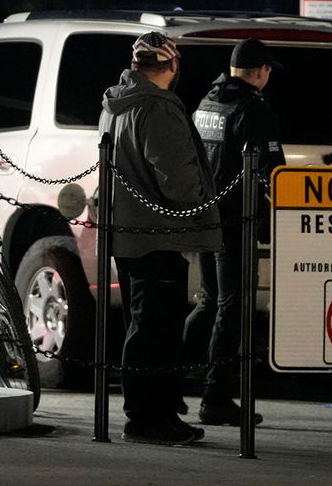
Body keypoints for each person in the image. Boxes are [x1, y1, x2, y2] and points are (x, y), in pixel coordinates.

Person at [100, 31, 221, 445]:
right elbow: (178, 180)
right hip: (159, 234)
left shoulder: (114, 104)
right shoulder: (158, 109)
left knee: (142, 324)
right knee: (157, 329)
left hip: (127, 231)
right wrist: (200, 205)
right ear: (171, 65)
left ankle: (148, 413)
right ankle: (151, 419)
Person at [187, 38, 286, 426]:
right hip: (234, 220)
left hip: (205, 217)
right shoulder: (253, 109)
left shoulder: (207, 104)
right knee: (233, 305)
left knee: (210, 302)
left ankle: (163, 378)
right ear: (261, 72)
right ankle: (215, 396)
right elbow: (272, 171)